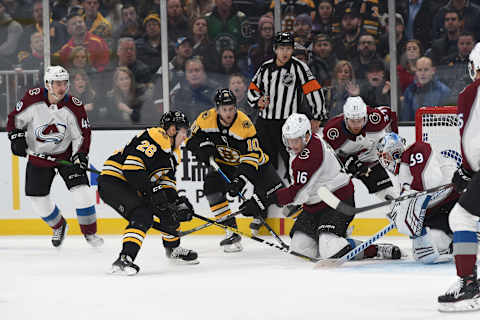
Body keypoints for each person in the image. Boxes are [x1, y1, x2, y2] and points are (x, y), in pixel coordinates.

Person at [248, 112, 401, 260]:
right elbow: (301, 192)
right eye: (289, 140)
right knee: (301, 249)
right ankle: (337, 239)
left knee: (331, 249)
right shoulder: (301, 148)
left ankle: (374, 250)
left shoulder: (311, 154)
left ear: (306, 136)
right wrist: (266, 198)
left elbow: (297, 194)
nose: (292, 145)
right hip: (314, 205)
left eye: (296, 140)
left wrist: (263, 201)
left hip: (337, 202)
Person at [6, 65, 103, 248]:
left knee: (82, 192)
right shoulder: (32, 98)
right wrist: (17, 137)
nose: (62, 87)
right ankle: (58, 226)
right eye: (57, 83)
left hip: (66, 155)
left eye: (65, 83)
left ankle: (91, 235)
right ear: (47, 84)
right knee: (38, 199)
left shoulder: (74, 105)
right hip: (39, 157)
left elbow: (82, 134)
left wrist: (80, 155)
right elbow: (14, 120)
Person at [98, 111, 198, 275]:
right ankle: (125, 259)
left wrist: (177, 201)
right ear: (172, 130)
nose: (185, 137)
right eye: (184, 132)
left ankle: (173, 249)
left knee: (168, 209)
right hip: (115, 181)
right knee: (142, 214)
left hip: (133, 185)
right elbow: (131, 168)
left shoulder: (174, 153)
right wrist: (154, 191)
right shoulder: (157, 136)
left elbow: (166, 183)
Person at [186, 88, 285, 247]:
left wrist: (241, 179)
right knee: (212, 188)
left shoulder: (245, 125)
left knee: (281, 195)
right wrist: (201, 148)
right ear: (217, 109)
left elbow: (252, 156)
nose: (228, 113)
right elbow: (190, 139)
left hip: (257, 165)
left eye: (231, 108)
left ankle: (303, 228)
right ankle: (231, 232)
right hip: (225, 165)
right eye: (224, 109)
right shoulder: (205, 119)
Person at [437, 42, 480, 312]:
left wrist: (465, 170)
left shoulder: (471, 93)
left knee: (460, 217)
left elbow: (469, 141)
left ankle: (468, 284)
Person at [248, 32, 326, 180]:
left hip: (288, 123)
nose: (285, 52)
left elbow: (314, 90)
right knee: (263, 161)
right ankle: (267, 194)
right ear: (275, 49)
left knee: (293, 160)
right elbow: (252, 89)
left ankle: (295, 191)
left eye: (288, 48)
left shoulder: (299, 67)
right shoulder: (265, 68)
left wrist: (318, 116)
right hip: (265, 122)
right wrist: (257, 100)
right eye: (281, 48)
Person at [376, 132, 458, 264]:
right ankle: (456, 242)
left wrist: (408, 202)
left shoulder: (415, 150)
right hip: (438, 213)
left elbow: (428, 182)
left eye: (386, 156)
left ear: (395, 152)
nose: (385, 161)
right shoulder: (400, 177)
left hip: (455, 200)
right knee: (422, 252)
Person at [323, 96, 398, 201]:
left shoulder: (376, 118)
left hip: (370, 160)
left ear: (365, 117)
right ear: (345, 118)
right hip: (344, 164)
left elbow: (391, 113)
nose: (356, 125)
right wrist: (348, 163)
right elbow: (327, 156)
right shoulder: (333, 132)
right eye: (352, 121)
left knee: (388, 195)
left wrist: (395, 137)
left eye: (359, 120)